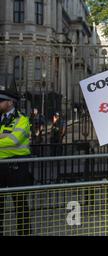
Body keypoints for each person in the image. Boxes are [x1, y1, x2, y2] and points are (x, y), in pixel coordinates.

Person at [0, 86, 32, 236]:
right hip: (1, 167)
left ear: (10, 102)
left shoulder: (22, 119)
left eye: (1, 101)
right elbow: (9, 139)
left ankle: (24, 233)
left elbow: (14, 140)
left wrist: (5, 138)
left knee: (20, 203)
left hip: (16, 166)